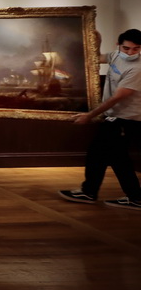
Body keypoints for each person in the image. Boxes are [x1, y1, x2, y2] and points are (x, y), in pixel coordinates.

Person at [59, 28, 141, 211]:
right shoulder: (115, 56)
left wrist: (90, 115)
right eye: (127, 48)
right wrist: (96, 38)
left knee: (118, 159)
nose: (131, 53)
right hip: (113, 117)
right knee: (99, 154)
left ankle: (135, 197)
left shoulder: (137, 69)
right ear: (118, 45)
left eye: (136, 49)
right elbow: (95, 57)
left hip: (126, 119)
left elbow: (118, 97)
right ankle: (89, 192)